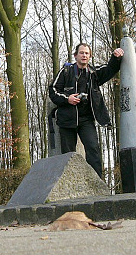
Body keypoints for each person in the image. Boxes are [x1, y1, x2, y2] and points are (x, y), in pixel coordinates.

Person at [48, 43, 124, 177]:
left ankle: (97, 185)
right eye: (81, 53)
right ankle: (70, 186)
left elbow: (110, 69)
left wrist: (116, 57)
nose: (84, 56)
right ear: (75, 55)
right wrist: (68, 99)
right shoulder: (66, 72)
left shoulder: (94, 73)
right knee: (68, 156)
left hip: (86, 120)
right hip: (67, 120)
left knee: (93, 149)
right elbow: (53, 91)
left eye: (87, 53)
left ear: (90, 56)